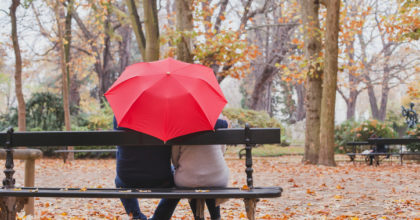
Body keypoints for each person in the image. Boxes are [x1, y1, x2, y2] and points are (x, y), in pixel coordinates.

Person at [113, 117, 178, 220]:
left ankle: (136, 216)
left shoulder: (121, 116)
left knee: (119, 181)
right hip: (161, 178)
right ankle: (159, 218)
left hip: (128, 178)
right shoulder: (166, 115)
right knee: (178, 183)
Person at [171, 118, 229, 220]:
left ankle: (198, 217)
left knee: (192, 176)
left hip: (188, 180)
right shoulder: (217, 122)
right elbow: (222, 151)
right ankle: (216, 217)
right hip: (217, 178)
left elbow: (175, 159)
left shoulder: (179, 126)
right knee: (210, 179)